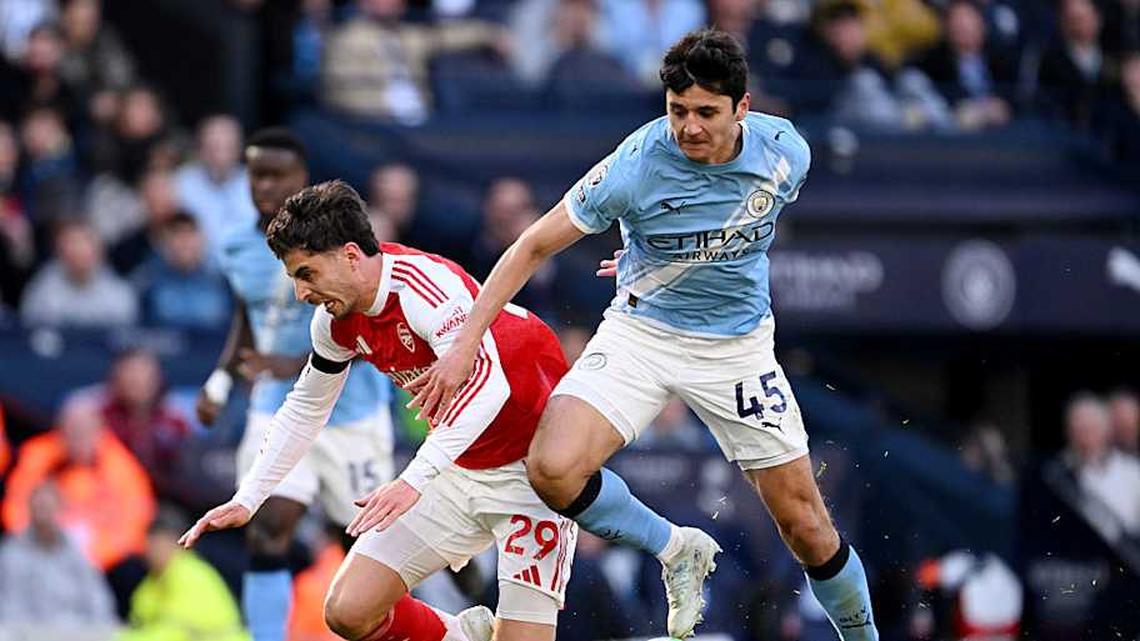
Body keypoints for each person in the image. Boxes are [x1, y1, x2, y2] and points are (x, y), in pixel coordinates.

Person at [407, 29, 880, 641]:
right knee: (552, 470)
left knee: (806, 526)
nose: (688, 127)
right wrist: (469, 337)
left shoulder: (788, 154)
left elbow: (735, 228)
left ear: (743, 109)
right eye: (677, 110)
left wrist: (649, 256)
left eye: (706, 113)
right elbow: (532, 245)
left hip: (736, 350)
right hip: (641, 335)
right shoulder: (634, 165)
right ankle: (676, 549)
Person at [178, 179, 704, 641]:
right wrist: (250, 497)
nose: (300, 293)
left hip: (529, 477)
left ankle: (676, 546)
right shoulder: (335, 323)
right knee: (347, 613)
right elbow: (305, 407)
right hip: (454, 467)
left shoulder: (425, 290)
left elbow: (488, 390)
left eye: (307, 273)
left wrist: (412, 479)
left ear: (350, 255)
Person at [194, 129, 395, 641]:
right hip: (275, 407)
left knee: (365, 547)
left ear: (300, 179)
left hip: (353, 411)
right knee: (267, 526)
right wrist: (221, 379)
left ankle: (461, 592)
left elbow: (368, 317)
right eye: (255, 173)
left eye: (275, 174)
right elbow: (248, 318)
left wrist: (293, 362)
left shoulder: (345, 244)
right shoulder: (238, 247)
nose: (264, 185)